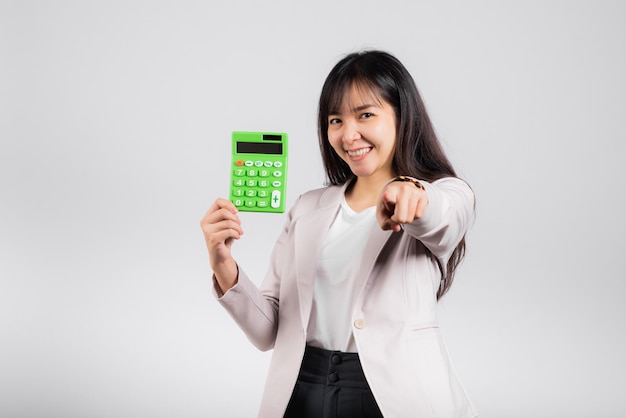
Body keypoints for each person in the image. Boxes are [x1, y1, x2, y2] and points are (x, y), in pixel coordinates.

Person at [200, 50, 478, 418]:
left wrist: (413, 194)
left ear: (402, 116)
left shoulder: (446, 194)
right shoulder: (306, 208)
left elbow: (445, 215)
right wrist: (223, 264)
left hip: (390, 396)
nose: (349, 135)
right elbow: (268, 331)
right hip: (302, 389)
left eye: (365, 114)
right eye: (335, 120)